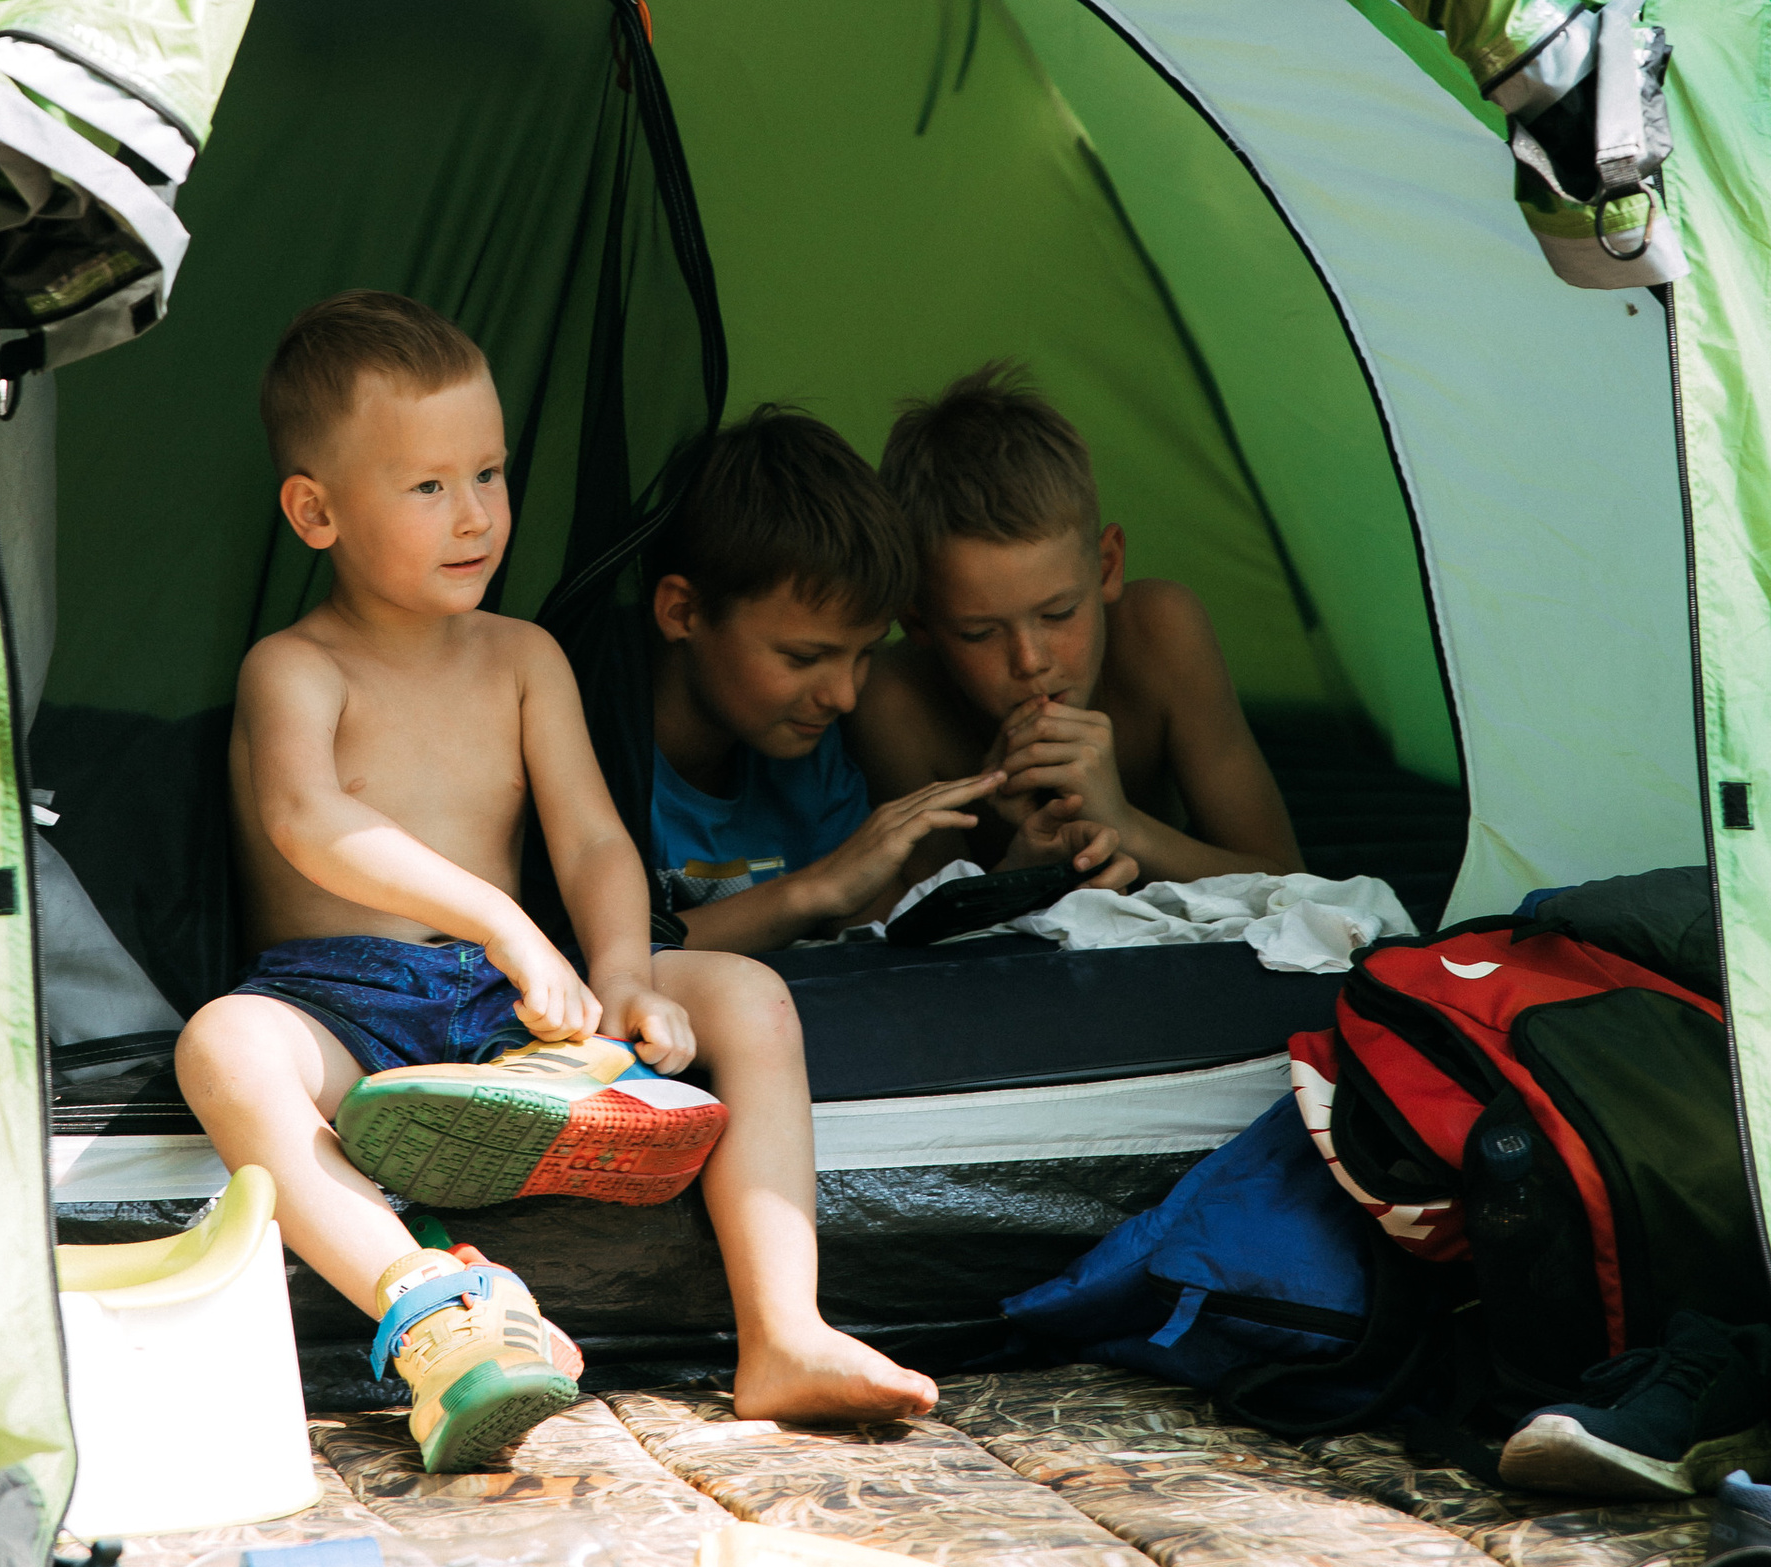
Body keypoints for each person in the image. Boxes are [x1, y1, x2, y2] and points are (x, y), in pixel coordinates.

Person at [175, 294, 936, 1471]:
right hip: (339, 1003)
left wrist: (623, 972)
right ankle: (432, 1307)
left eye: (489, 473)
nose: (475, 515)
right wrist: (501, 921)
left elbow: (590, 842)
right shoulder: (295, 668)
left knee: (747, 995)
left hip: (502, 1001)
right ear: (316, 513)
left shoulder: (526, 658)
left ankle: (784, 1329)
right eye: (427, 486)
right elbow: (310, 823)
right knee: (224, 1047)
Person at [855, 361, 1300, 890]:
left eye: (1059, 613)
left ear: (1107, 567)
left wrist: (1123, 826)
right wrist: (1022, 852)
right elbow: (925, 918)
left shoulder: (1161, 633)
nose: (1030, 661)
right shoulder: (895, 702)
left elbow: (1290, 880)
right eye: (979, 634)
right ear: (916, 620)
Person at [647, 405, 1007, 955]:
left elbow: (880, 929)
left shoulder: (809, 760)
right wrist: (813, 891)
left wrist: (1021, 871)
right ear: (683, 612)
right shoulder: (588, 744)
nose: (844, 696)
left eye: (865, 654)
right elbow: (583, 956)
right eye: (804, 657)